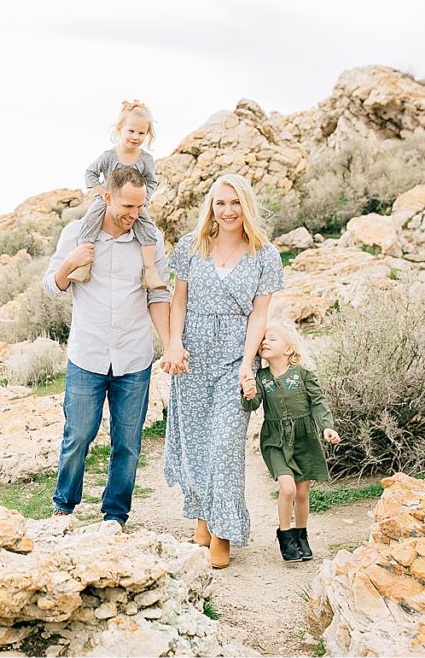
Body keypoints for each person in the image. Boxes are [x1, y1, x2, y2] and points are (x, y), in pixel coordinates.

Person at [160, 174, 284, 569]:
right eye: (220, 203)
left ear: (246, 206)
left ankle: (223, 531)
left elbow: (260, 314)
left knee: (225, 445)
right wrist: (173, 344)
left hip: (235, 357)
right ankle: (201, 515)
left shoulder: (265, 255)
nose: (227, 211)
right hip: (193, 354)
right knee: (195, 440)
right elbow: (177, 302)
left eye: (234, 203)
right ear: (210, 207)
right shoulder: (191, 247)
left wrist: (248, 365)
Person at [43, 165, 173, 533]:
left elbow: (158, 293)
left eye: (140, 207)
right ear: (108, 197)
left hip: (134, 356)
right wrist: (71, 263)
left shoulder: (150, 241)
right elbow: (52, 287)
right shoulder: (76, 233)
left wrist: (168, 345)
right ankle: (64, 506)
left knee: (128, 443)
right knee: (79, 434)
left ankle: (115, 515)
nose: (134, 215)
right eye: (127, 207)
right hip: (87, 354)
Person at [240, 323, 341, 562]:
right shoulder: (261, 377)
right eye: (262, 339)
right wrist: (249, 394)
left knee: (303, 492)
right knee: (288, 489)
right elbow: (253, 406)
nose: (264, 342)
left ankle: (301, 535)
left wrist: (327, 426)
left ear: (288, 349)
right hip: (275, 440)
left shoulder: (303, 374)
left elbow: (318, 402)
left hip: (304, 439)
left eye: (272, 339)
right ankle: (285, 535)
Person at [67, 99, 166, 290]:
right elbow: (90, 173)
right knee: (90, 221)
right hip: (108, 201)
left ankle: (150, 272)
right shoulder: (108, 156)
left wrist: (143, 201)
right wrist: (100, 192)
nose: (135, 137)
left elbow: (152, 181)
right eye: (131, 131)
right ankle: (84, 265)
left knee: (148, 228)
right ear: (120, 128)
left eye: (141, 133)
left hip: (134, 204)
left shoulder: (145, 159)